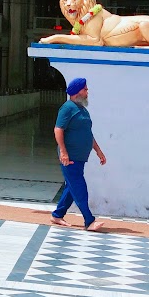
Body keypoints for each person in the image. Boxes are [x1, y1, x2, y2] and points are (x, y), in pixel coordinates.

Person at [50, 77, 107, 231]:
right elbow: (58, 130)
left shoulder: (82, 110)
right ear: (77, 92)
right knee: (79, 186)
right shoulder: (67, 108)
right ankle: (89, 220)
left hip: (80, 157)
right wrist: (63, 152)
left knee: (72, 187)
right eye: (85, 89)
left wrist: (98, 151)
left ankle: (57, 215)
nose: (87, 92)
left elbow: (88, 134)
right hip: (70, 157)